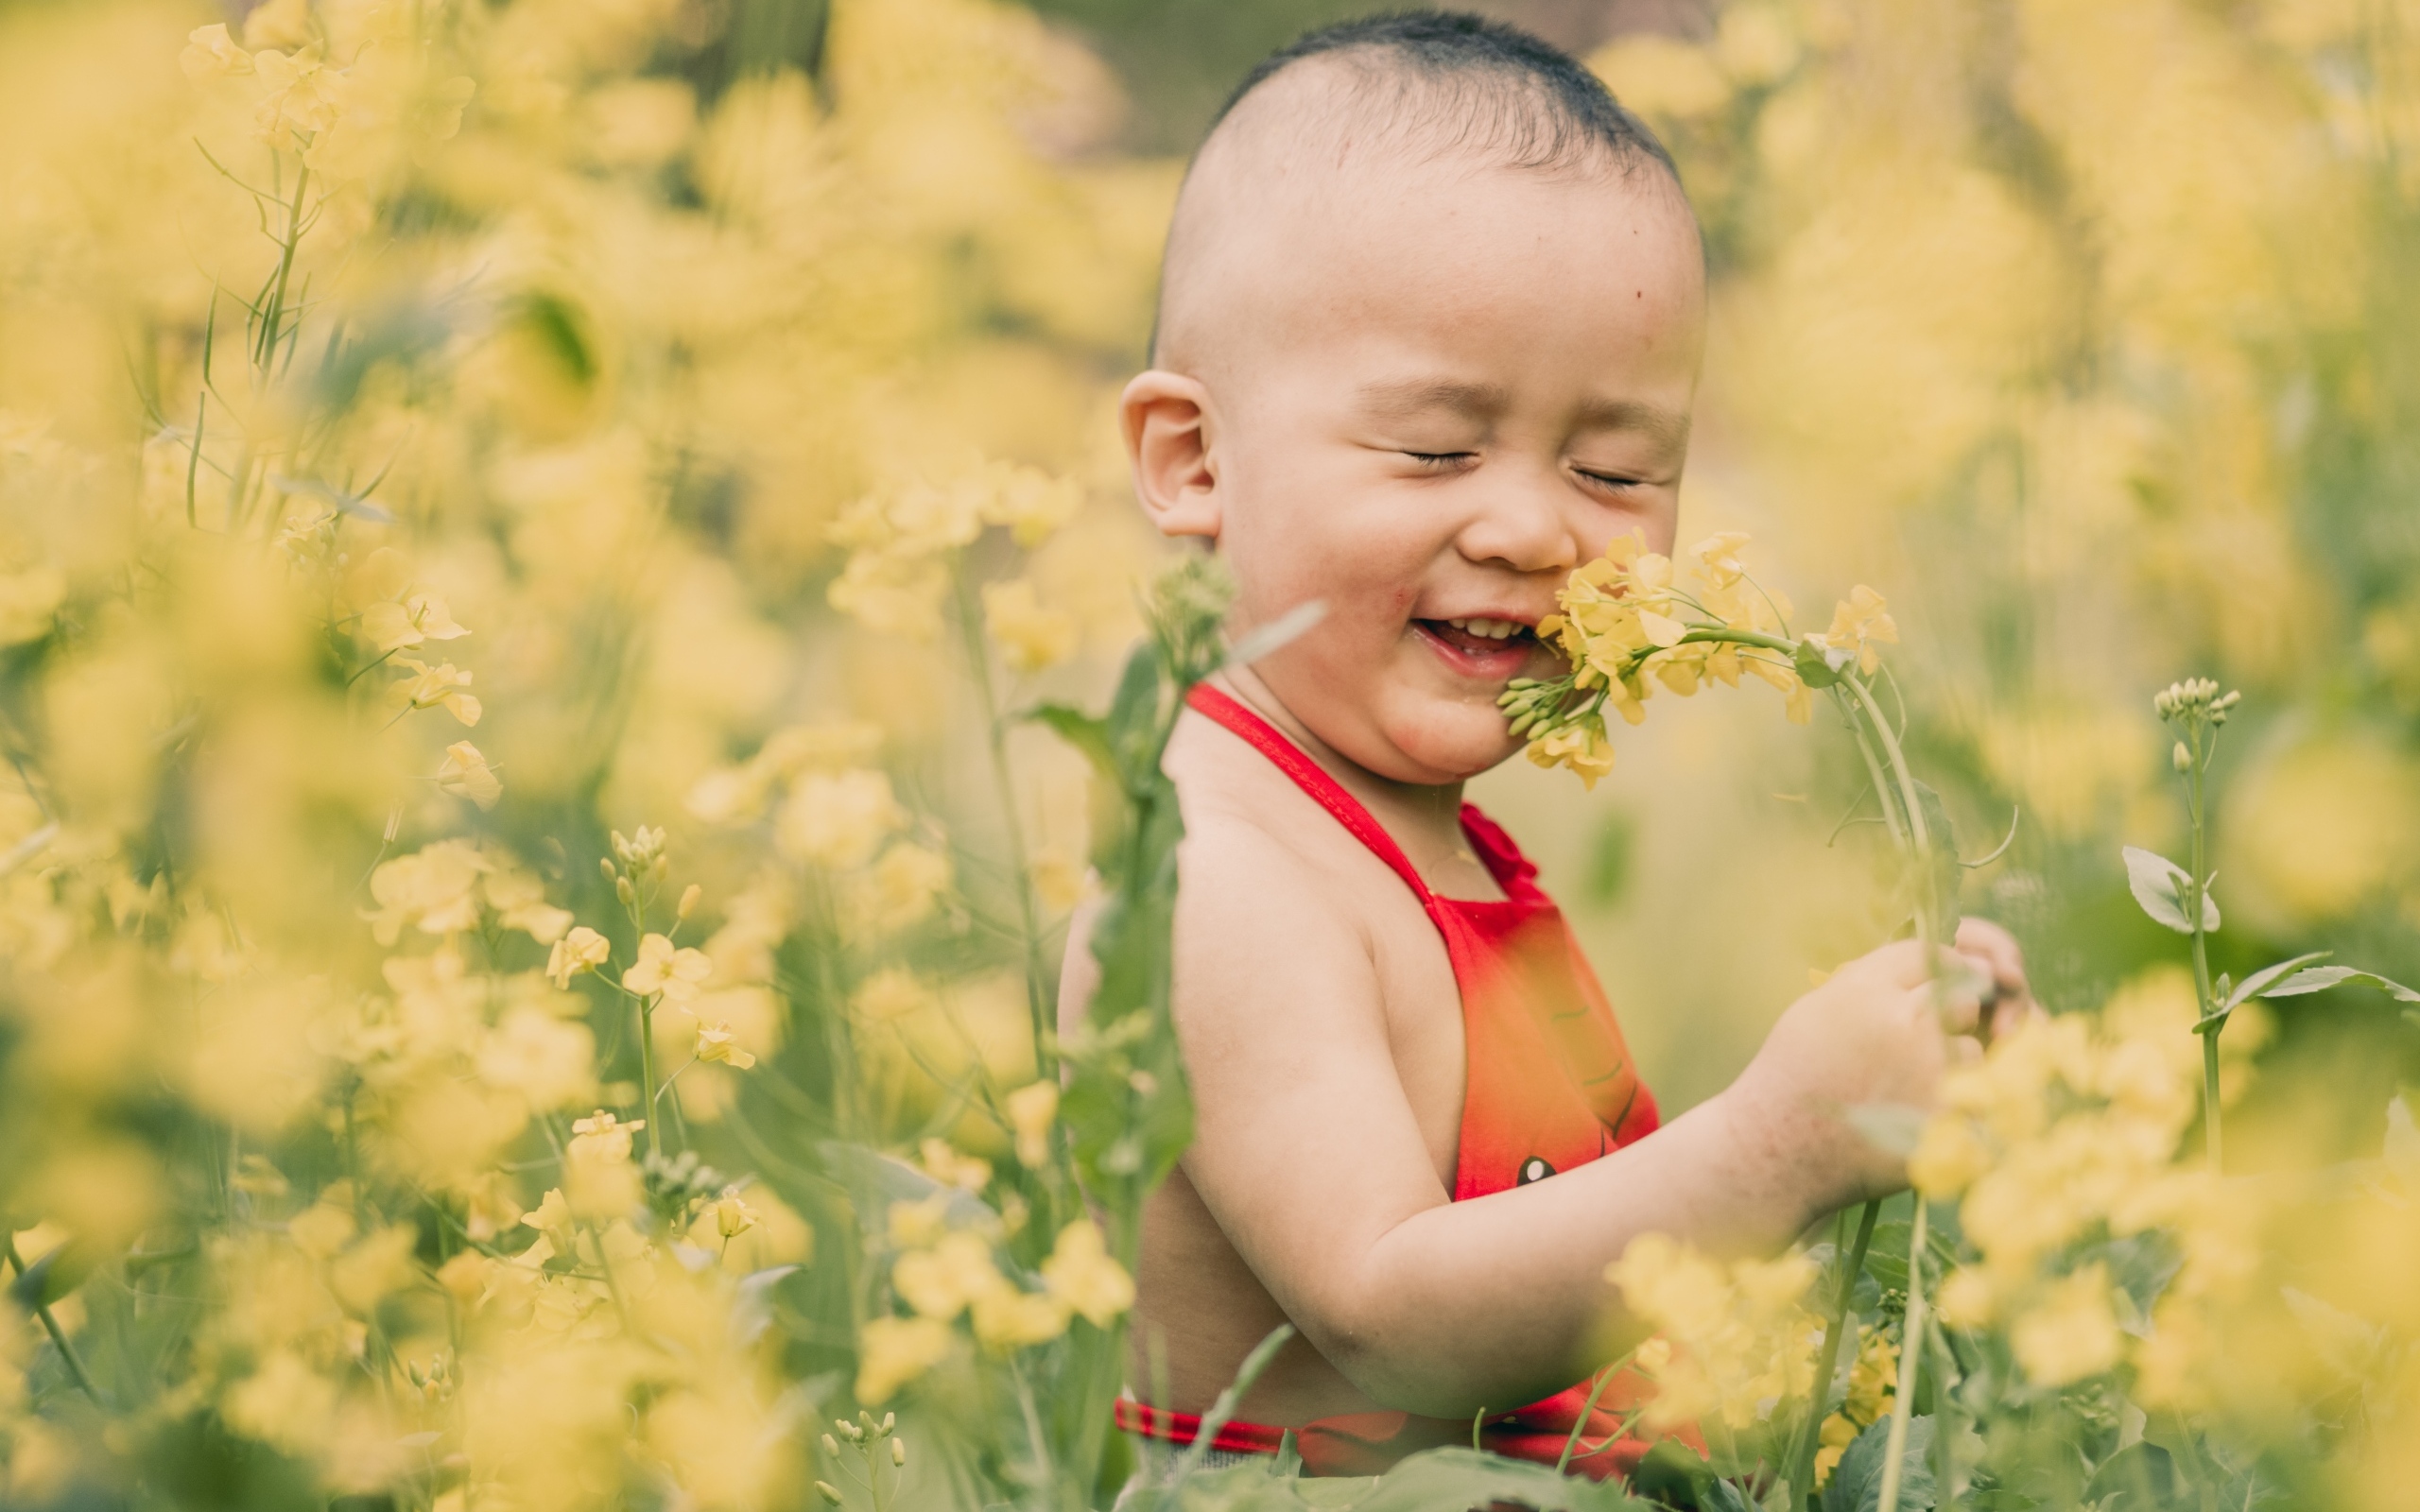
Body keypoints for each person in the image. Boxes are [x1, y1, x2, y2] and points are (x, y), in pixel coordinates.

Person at [1057, 10, 2034, 1485]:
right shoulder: (1219, 874)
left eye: (1616, 469)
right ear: (1196, 463)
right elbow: (1390, 1312)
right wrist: (1781, 1141)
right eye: (1438, 448)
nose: (1532, 528)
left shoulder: (1418, 832)